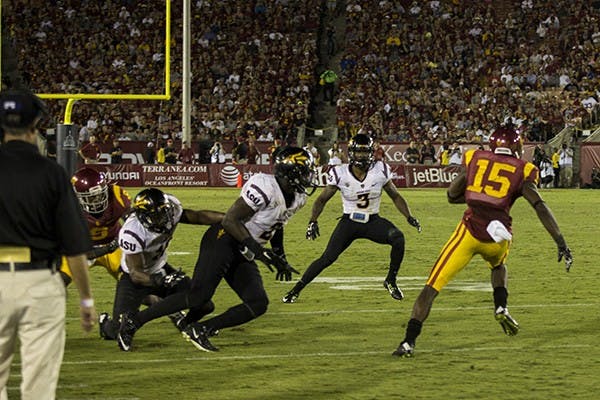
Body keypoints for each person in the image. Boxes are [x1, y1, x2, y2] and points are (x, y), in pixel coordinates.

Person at [392, 126, 573, 358]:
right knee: (498, 266)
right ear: (517, 147)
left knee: (431, 287)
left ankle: (408, 342)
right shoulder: (524, 169)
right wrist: (560, 242)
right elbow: (539, 205)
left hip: (469, 233)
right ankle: (501, 306)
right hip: (498, 237)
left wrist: (476, 196)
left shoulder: (475, 157)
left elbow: (451, 195)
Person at [117, 147, 314, 352]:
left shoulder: (298, 197)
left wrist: (279, 255)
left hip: (244, 248)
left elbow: (278, 224)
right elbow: (230, 220)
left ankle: (200, 329)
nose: (309, 176)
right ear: (290, 171)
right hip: (224, 239)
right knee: (199, 296)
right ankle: (134, 321)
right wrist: (258, 251)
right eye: (305, 170)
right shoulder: (265, 187)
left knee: (258, 303)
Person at [0, 89, 95, 400]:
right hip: (39, 282)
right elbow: (75, 247)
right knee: (38, 388)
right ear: (36, 125)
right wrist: (85, 301)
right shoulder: (52, 173)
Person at [282, 134, 422, 304]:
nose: (362, 156)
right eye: (358, 152)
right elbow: (321, 199)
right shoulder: (340, 172)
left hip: (372, 221)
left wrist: (409, 216)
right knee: (328, 258)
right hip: (349, 223)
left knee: (398, 238)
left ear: (371, 153)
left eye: (365, 152)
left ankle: (390, 280)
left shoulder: (380, 170)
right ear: (351, 153)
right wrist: (313, 220)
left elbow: (395, 196)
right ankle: (296, 290)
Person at [98, 188, 223, 343]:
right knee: (117, 330)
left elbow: (197, 216)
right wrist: (161, 281)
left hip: (160, 269)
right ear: (144, 216)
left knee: (204, 304)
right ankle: (105, 324)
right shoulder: (132, 231)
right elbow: (136, 274)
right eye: (157, 214)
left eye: (164, 211)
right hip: (133, 279)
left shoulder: (171, 210)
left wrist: (228, 218)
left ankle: (185, 323)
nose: (164, 217)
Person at [59, 167, 131, 286]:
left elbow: (133, 223)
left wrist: (125, 236)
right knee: (59, 282)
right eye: (91, 197)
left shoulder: (116, 196)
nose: (98, 200)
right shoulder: (67, 210)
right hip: (84, 249)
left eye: (100, 195)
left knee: (133, 283)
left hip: (114, 246)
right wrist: (108, 248)